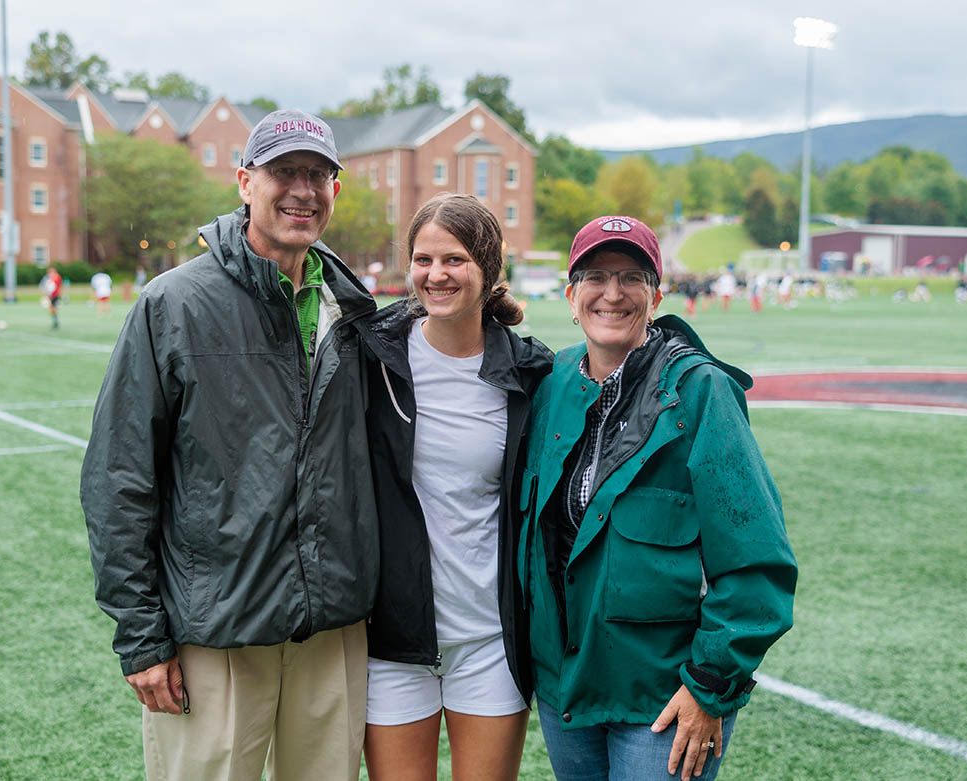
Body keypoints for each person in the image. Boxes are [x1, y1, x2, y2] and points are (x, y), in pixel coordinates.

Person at [80, 109, 379, 781]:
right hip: (214, 627)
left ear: (335, 190)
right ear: (245, 181)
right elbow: (117, 478)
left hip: (330, 627)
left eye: (318, 174)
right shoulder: (173, 305)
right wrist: (141, 637)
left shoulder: (352, 309)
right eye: (284, 172)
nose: (303, 190)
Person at [518, 216, 798, 781]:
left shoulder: (700, 394)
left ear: (657, 296)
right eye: (595, 276)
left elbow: (756, 561)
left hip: (663, 700)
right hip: (565, 690)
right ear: (571, 296)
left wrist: (710, 688)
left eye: (632, 277)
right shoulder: (551, 383)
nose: (613, 293)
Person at [357, 194, 552, 781]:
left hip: (490, 637)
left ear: (489, 271)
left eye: (455, 260)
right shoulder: (371, 355)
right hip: (393, 638)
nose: (436, 274)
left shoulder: (529, 372)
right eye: (423, 259)